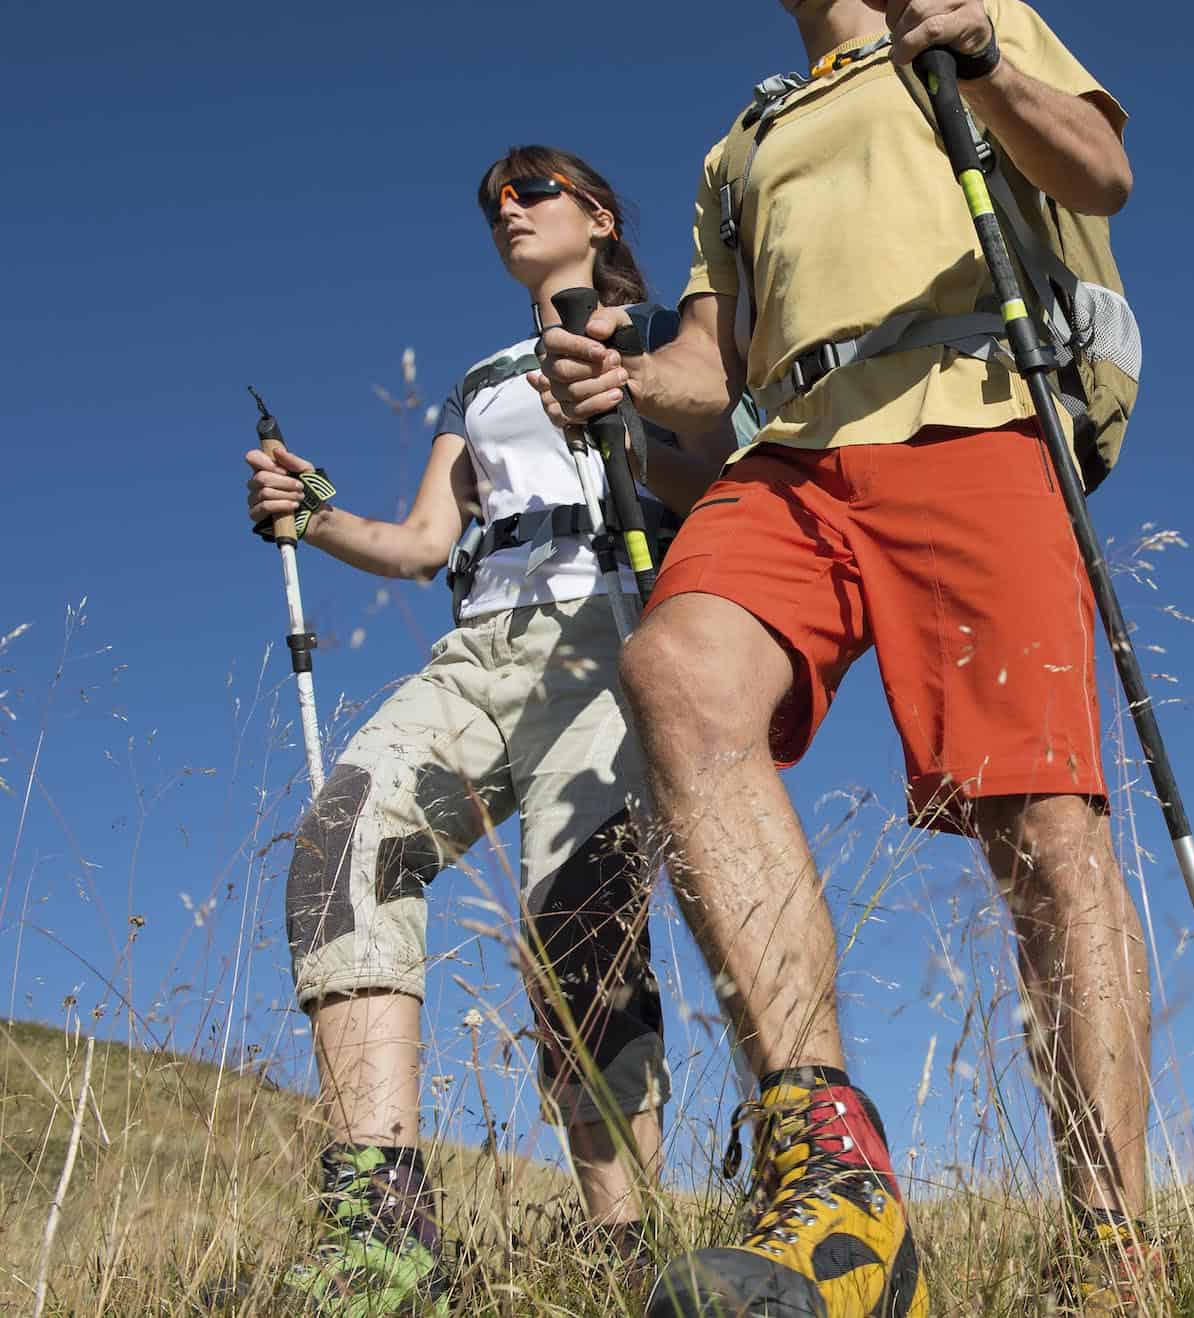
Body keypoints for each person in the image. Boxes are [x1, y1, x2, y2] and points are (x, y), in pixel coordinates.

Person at [533, 3, 1157, 1312]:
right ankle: (832, 1174)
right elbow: (715, 363)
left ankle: (1112, 1245)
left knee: (1038, 824)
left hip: (974, 415)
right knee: (679, 672)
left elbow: (1099, 171)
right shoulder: (742, 142)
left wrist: (978, 57)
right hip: (795, 457)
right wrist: (630, 384)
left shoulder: (972, 18)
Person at [242, 145, 734, 1313]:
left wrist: (629, 390)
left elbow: (719, 463)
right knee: (341, 845)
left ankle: (626, 1251)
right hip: (480, 646)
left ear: (599, 215)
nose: (507, 210)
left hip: (606, 632)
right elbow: (420, 543)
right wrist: (312, 515)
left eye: (533, 190)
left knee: (579, 925)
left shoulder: (667, 332)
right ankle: (381, 1229)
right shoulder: (478, 379)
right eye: (492, 202)